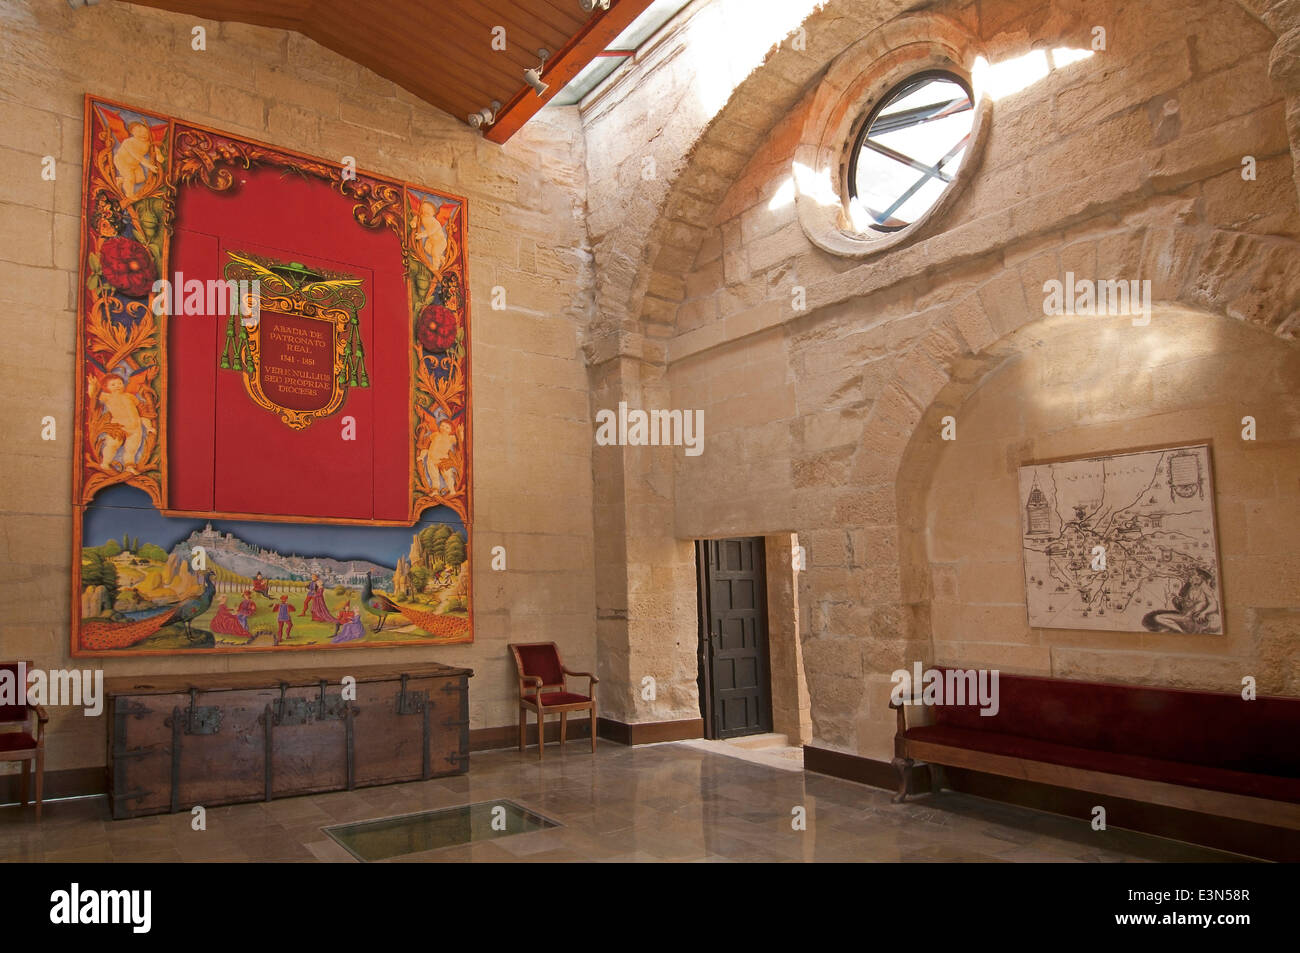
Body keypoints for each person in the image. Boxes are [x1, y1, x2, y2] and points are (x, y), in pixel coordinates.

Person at [91, 373, 150, 473]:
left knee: (131, 449)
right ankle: (105, 463)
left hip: (135, 429)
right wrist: (92, 385)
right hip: (118, 427)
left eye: (119, 383)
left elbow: (141, 412)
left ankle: (129, 466)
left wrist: (149, 427)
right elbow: (93, 395)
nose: (117, 386)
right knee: (112, 445)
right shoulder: (107, 397)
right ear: (106, 387)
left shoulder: (130, 397)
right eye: (113, 384)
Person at [114, 121, 158, 200]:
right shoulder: (129, 142)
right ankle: (129, 195)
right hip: (122, 162)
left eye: (145, 132)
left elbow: (155, 149)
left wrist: (159, 155)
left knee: (141, 179)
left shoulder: (147, 143)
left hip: (134, 164)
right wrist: (150, 166)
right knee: (130, 177)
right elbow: (138, 156)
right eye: (139, 132)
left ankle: (121, 179)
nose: (143, 134)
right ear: (133, 133)